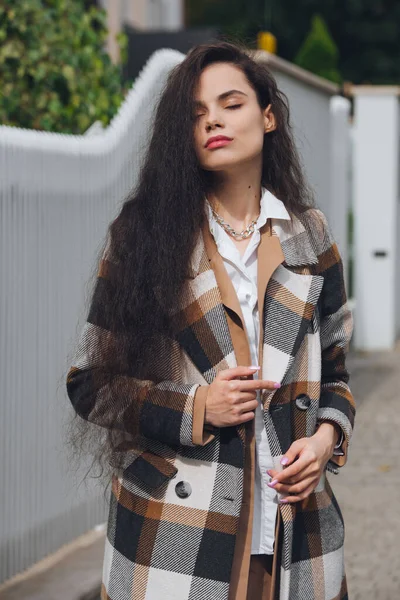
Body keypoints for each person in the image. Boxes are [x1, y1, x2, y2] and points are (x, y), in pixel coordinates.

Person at [66, 40, 355, 600]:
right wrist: (199, 408)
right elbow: (89, 385)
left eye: (231, 103)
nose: (213, 121)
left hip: (297, 537)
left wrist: (325, 440)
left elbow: (337, 373)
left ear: (268, 116)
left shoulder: (309, 236)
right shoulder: (145, 238)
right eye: (196, 113)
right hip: (178, 539)